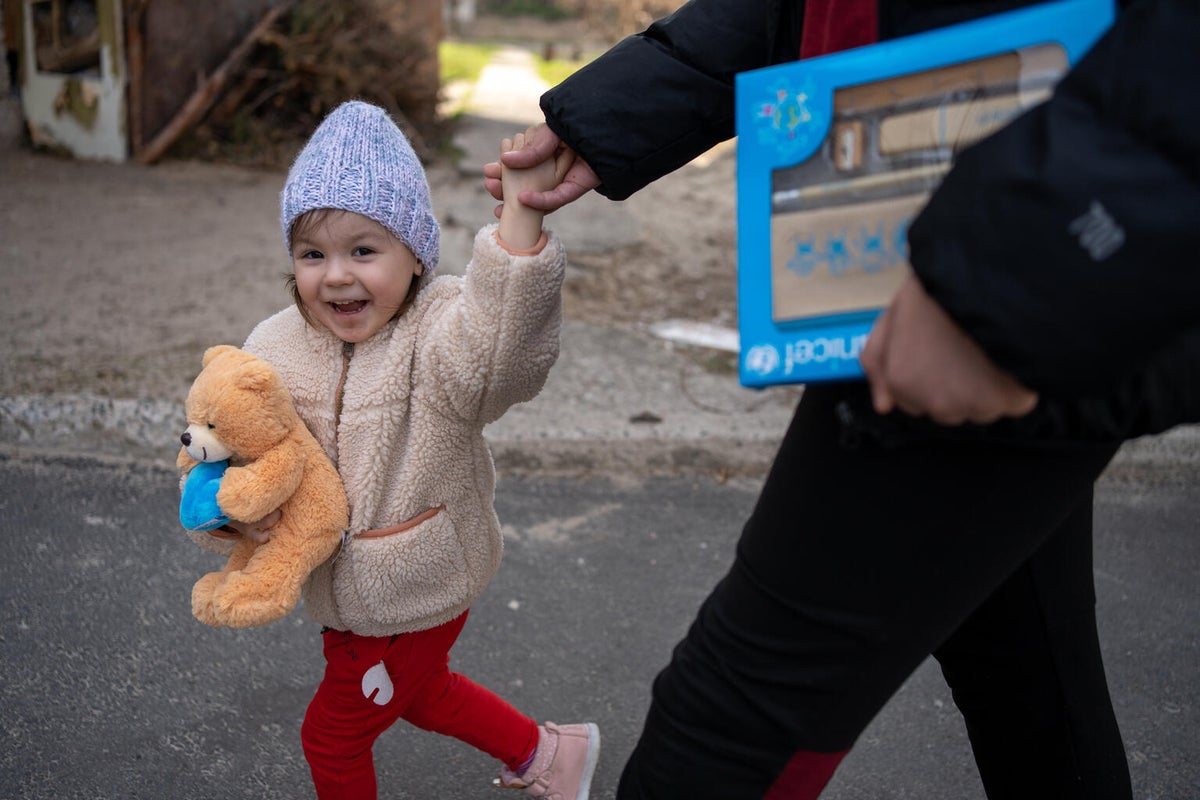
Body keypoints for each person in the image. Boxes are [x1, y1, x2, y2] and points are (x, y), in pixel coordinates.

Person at [485, 0, 1200, 797]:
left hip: (1001, 255)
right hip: (955, 231)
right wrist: (622, 108)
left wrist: (1006, 273)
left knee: (726, 728)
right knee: (1023, 671)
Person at [192, 100, 600, 800]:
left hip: (416, 584)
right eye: (312, 253)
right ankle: (548, 755)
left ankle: (546, 753)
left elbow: (501, 357)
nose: (337, 276)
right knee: (423, 695)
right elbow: (234, 450)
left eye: (364, 250)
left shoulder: (439, 335)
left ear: (415, 254)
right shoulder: (275, 343)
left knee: (332, 736)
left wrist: (520, 224)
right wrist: (233, 519)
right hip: (342, 595)